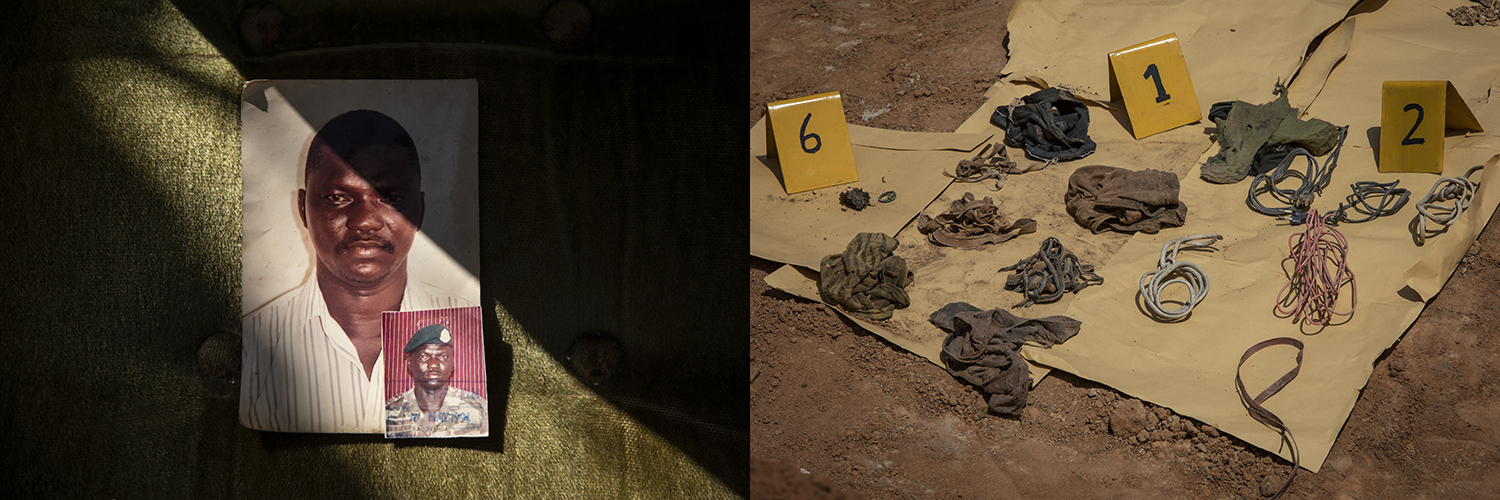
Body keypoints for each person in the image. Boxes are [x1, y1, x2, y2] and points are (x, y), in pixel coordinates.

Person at [241, 110, 471, 433]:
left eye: (390, 197)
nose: (365, 221)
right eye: (337, 197)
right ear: (303, 209)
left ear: (418, 212)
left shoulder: (472, 335)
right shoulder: (252, 346)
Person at [385, 324, 488, 438]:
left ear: (453, 363)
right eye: (423, 356)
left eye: (443, 356)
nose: (433, 364)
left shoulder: (478, 410)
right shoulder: (389, 412)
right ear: (410, 363)